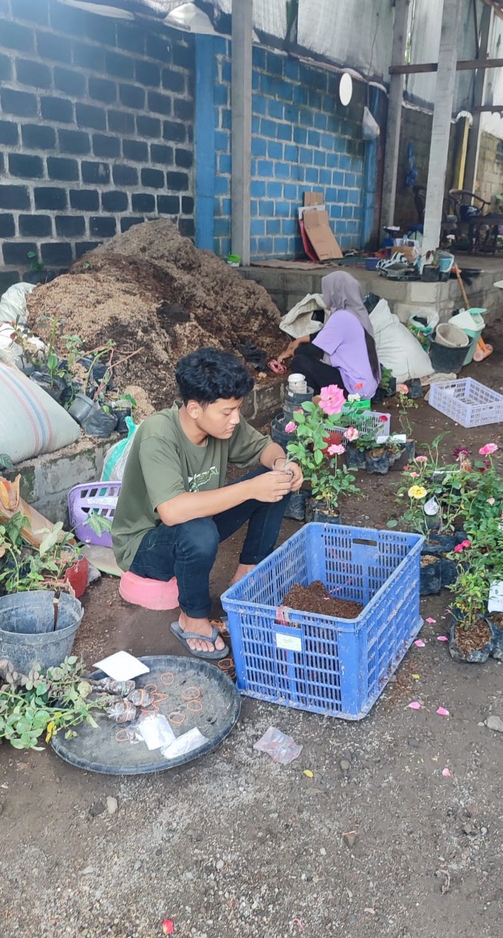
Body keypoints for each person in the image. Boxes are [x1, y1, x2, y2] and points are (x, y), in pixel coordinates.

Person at [111, 348, 304, 659]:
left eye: (238, 409)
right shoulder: (158, 434)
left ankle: (246, 575)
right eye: (227, 412)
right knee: (199, 531)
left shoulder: (224, 425)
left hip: (197, 523)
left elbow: (265, 449)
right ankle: (193, 616)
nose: (235, 419)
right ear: (194, 409)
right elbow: (172, 512)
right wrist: (251, 488)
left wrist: (283, 464)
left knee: (275, 481)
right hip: (145, 543)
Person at [275, 270, 381, 399]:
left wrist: (291, 352)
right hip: (367, 386)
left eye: (326, 292)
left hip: (353, 389)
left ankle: (316, 402)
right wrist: (300, 340)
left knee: (300, 361)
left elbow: (313, 349)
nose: (325, 297)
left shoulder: (341, 317)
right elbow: (324, 335)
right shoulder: (356, 312)